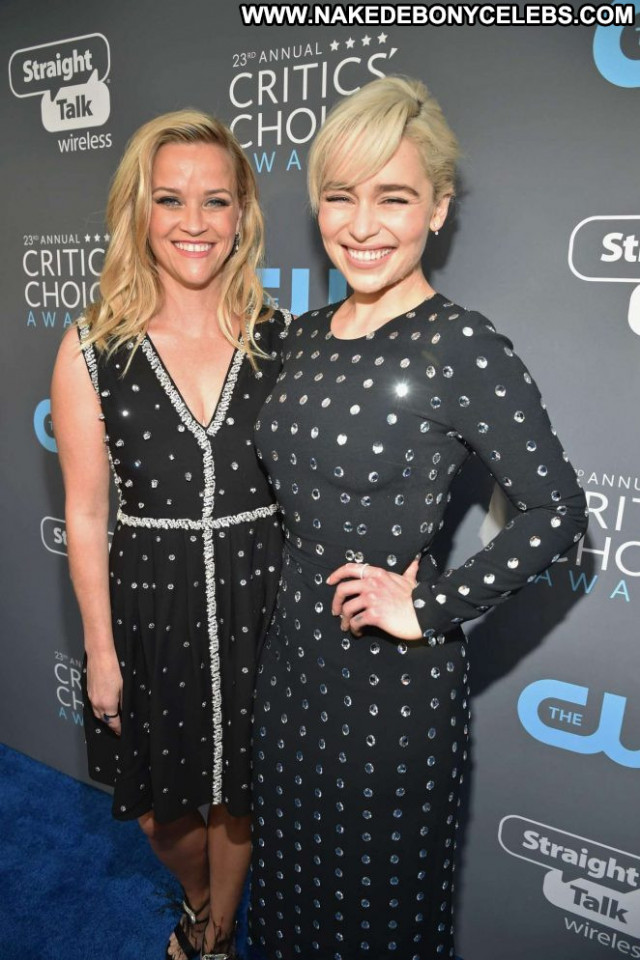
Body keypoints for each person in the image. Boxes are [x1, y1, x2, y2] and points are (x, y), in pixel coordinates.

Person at [248, 76, 588, 959]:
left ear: (436, 208)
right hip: (288, 672)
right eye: (340, 196)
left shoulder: (459, 344)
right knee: (286, 895)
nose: (362, 225)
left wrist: (430, 606)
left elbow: (556, 509)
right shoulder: (300, 335)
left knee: (376, 917)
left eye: (393, 197)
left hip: (389, 694)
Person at [51, 109, 289, 960]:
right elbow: (85, 514)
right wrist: (100, 652)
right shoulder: (92, 346)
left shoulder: (280, 339)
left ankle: (214, 935)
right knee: (162, 814)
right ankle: (199, 898)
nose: (195, 222)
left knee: (240, 797)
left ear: (242, 214)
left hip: (262, 599)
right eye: (170, 199)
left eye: (216, 200)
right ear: (138, 211)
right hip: (151, 610)